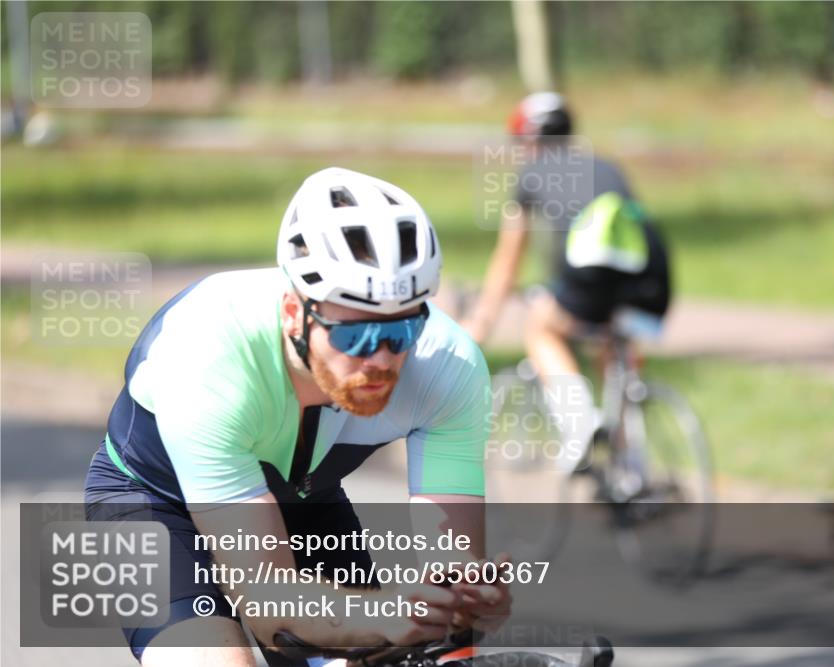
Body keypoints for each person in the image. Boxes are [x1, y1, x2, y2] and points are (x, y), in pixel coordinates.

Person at [85, 168, 511, 666]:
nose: (381, 360)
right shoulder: (209, 357)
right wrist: (387, 617)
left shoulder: (448, 365)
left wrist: (464, 606)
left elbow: (452, 579)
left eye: (401, 331)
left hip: (301, 498)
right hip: (151, 505)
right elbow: (271, 606)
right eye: (355, 336)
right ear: (294, 312)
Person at [463, 92, 671, 473]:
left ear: (529, 141)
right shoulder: (607, 167)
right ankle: (634, 467)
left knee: (542, 327)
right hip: (654, 274)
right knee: (614, 347)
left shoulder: (530, 175)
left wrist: (480, 324)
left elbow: (508, 261)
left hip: (592, 271)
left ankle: (579, 424)